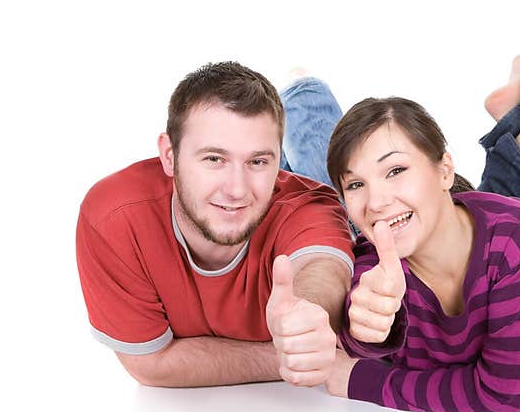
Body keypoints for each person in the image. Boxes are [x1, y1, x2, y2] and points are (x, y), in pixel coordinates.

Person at [321, 54, 520, 412]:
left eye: (395, 170)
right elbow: (362, 328)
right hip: (470, 222)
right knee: (486, 210)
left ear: (444, 170)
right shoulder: (373, 267)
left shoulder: (515, 237)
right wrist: (362, 331)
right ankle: (519, 124)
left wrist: (363, 381)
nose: (375, 202)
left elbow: (502, 398)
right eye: (356, 184)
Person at [75, 61, 355, 388]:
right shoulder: (113, 216)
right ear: (169, 155)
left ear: (277, 163)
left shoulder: (308, 205)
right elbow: (150, 365)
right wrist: (286, 355)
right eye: (214, 159)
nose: (236, 189)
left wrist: (310, 316)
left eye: (258, 160)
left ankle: (304, 95)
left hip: (304, 196)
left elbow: (322, 267)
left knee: (338, 180)